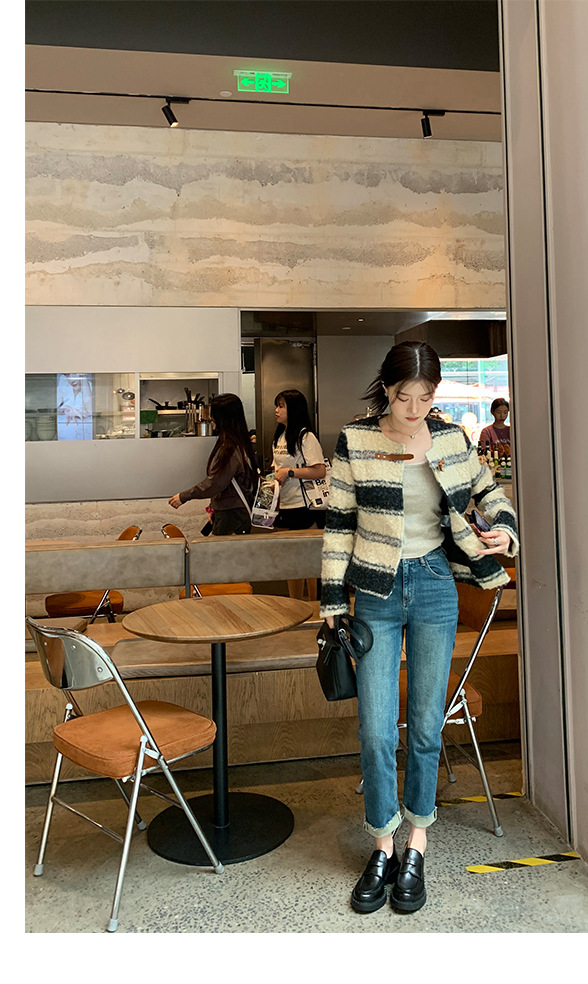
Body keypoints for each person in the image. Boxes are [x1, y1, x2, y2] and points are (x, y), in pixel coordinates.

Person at [320, 341, 518, 915]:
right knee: (377, 730)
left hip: (434, 585)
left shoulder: (452, 439)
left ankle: (416, 845)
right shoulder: (356, 440)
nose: (413, 409)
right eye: (404, 396)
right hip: (374, 593)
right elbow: (338, 524)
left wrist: (505, 530)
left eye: (425, 398)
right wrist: (332, 600)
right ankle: (381, 844)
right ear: (386, 389)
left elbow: (489, 492)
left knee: (428, 725)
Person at [168, 393, 259, 535]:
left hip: (232, 516)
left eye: (213, 414)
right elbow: (224, 483)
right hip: (231, 513)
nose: (210, 418)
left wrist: (184, 496)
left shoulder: (229, 449)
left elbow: (214, 483)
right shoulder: (238, 443)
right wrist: (213, 507)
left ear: (223, 418)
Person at [271, 389, 327, 531]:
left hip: (304, 504)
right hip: (283, 503)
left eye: (281, 406)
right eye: (277, 406)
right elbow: (276, 468)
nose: (276, 410)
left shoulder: (306, 437)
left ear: (294, 409)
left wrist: (289, 472)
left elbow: (320, 471)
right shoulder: (279, 437)